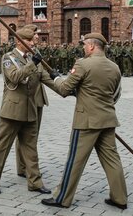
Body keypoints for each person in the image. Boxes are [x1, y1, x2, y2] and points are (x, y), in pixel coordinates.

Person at [42, 33, 127, 210]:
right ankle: (120, 198)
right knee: (112, 160)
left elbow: (65, 90)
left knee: (75, 161)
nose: (82, 48)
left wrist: (55, 77)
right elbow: (115, 94)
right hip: (108, 119)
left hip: (86, 121)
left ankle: (62, 198)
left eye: (84, 45)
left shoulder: (83, 63)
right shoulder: (114, 67)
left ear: (91, 46)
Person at [0, 26, 55, 195]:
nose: (32, 43)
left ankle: (35, 182)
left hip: (30, 110)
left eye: (33, 40)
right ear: (19, 41)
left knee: (30, 148)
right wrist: (33, 63)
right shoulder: (8, 58)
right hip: (13, 111)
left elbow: (46, 79)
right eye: (29, 40)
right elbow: (15, 76)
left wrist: (67, 88)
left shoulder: (33, 58)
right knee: (2, 146)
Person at [15, 24, 48, 178]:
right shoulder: (21, 54)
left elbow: (44, 75)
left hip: (38, 95)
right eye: (34, 34)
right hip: (29, 96)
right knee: (25, 134)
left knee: (32, 134)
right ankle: (24, 167)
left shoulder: (36, 51)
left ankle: (27, 165)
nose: (37, 36)